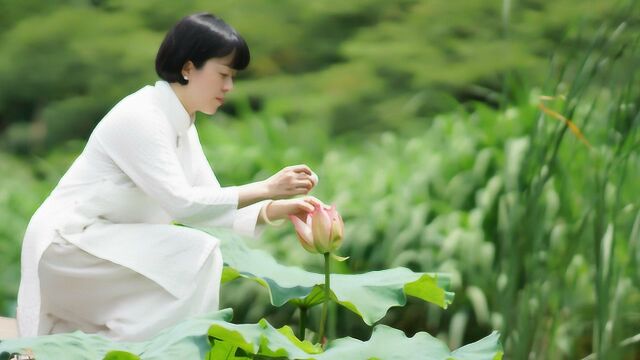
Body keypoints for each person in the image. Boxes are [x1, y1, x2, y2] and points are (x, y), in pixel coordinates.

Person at [16, 12, 320, 341]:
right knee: (195, 254)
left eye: (232, 77)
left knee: (194, 257)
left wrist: (277, 207)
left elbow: (210, 201)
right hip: (70, 245)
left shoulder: (180, 122)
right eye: (223, 74)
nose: (229, 86)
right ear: (188, 68)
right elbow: (184, 204)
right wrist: (267, 187)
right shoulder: (142, 116)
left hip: (104, 243)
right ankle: (163, 349)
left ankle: (151, 347)